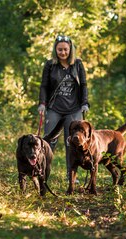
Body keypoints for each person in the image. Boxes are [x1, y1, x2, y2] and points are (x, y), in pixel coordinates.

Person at [38, 35, 89, 177]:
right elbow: (44, 86)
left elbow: (83, 85)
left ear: (70, 50)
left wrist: (85, 102)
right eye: (59, 49)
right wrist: (42, 103)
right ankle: (42, 172)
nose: (63, 52)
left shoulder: (77, 64)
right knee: (49, 141)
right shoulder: (50, 65)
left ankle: (71, 175)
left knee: (73, 143)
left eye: (65, 49)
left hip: (74, 109)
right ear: (55, 50)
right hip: (55, 108)